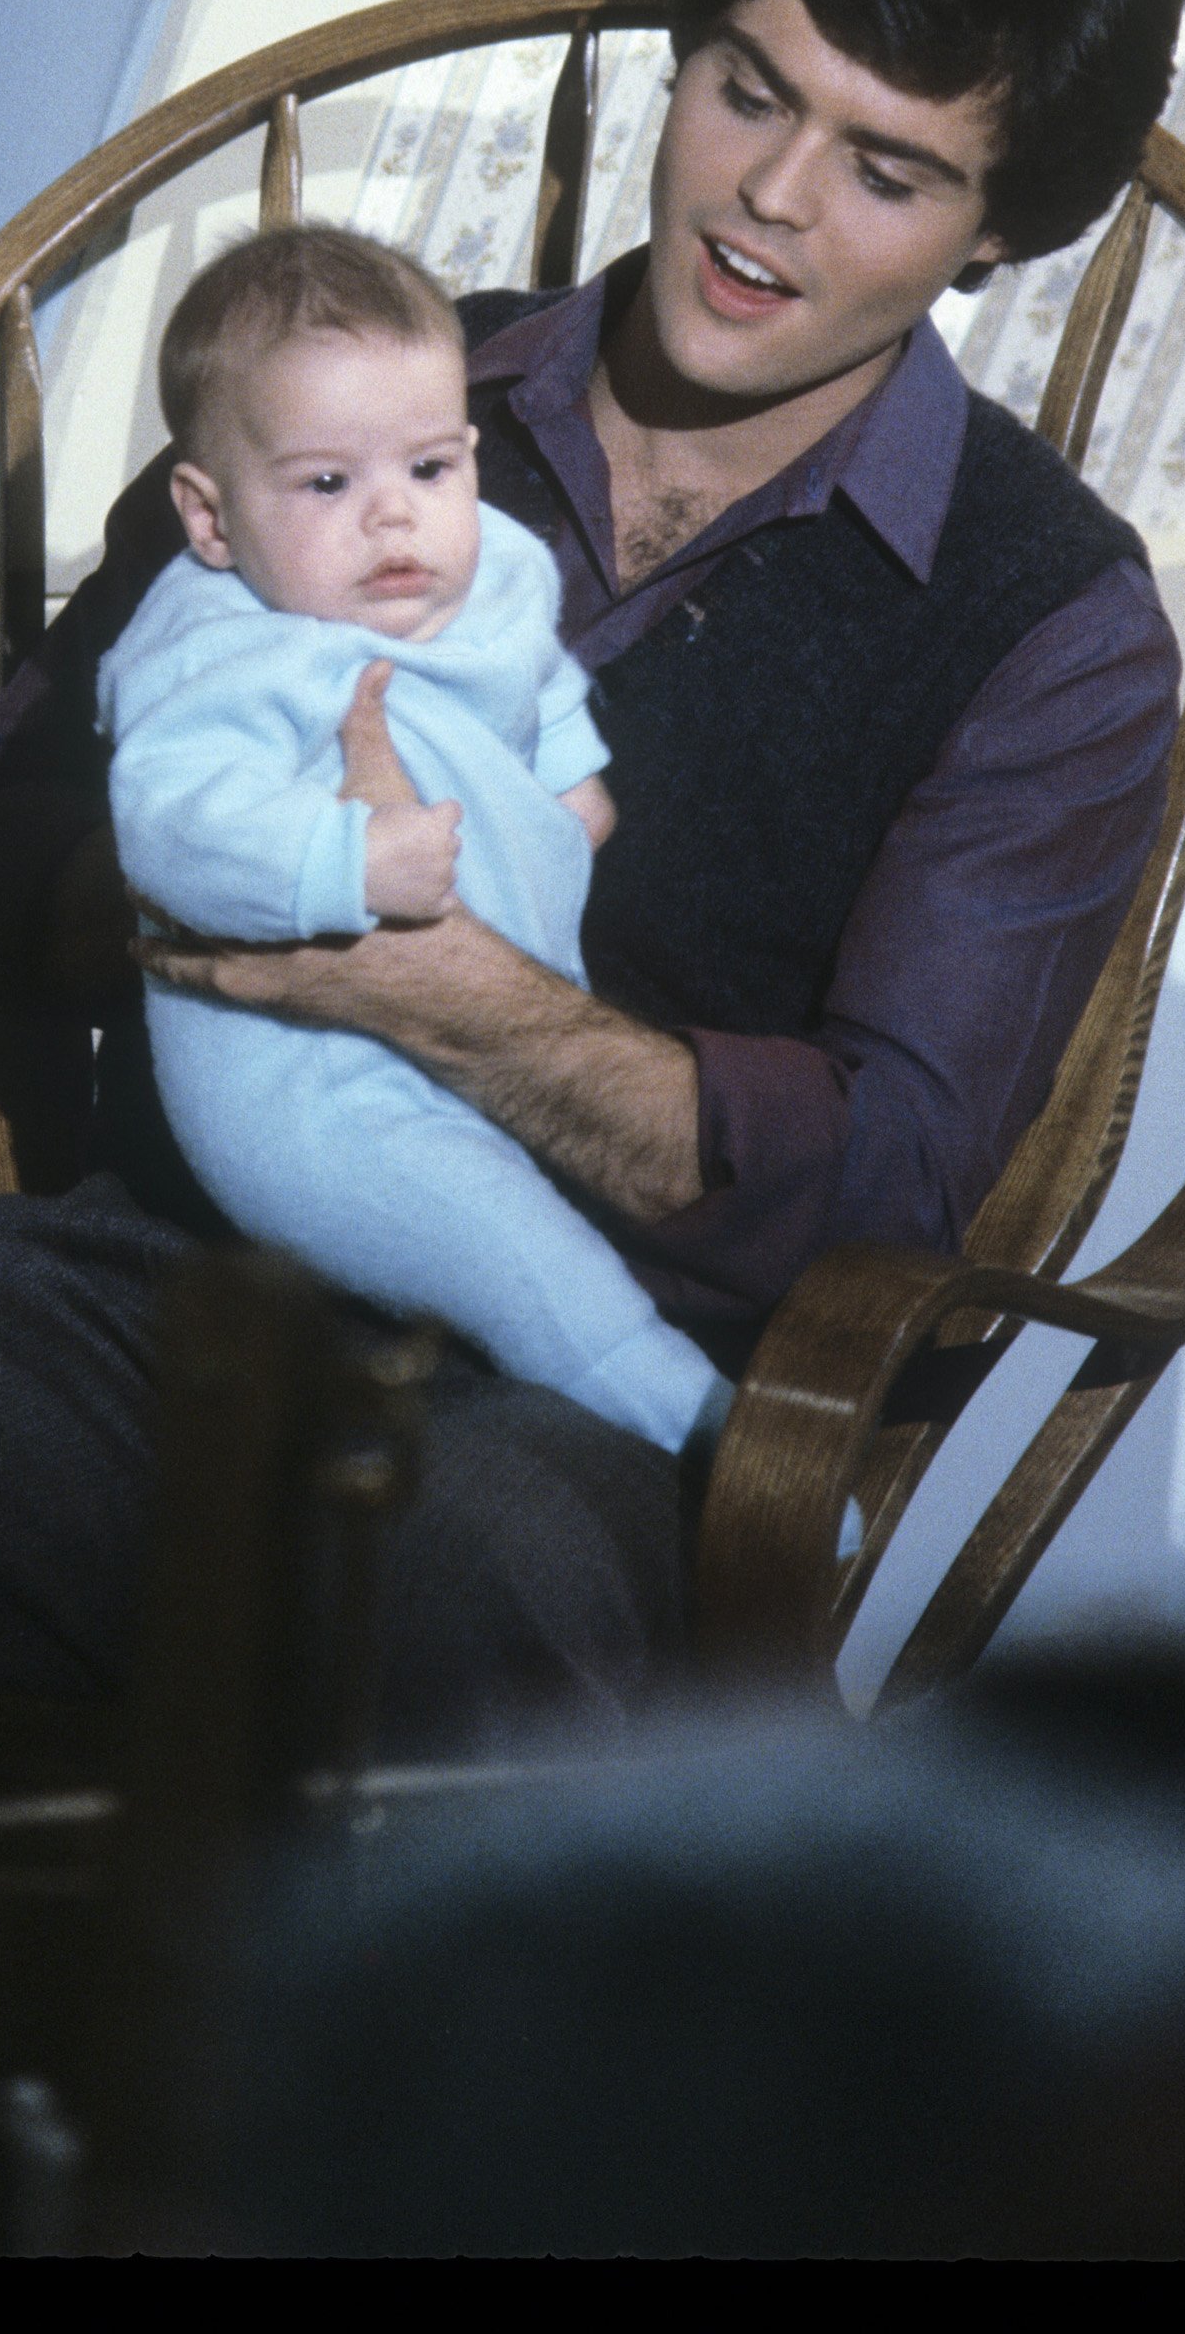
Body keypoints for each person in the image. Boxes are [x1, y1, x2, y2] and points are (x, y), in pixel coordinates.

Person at [0, 0, 1185, 2248]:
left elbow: (900, 1176)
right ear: (692, 53)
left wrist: (459, 999)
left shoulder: (1041, 614)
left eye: (885, 166)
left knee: (472, 1593)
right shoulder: (355, 384)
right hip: (131, 1298)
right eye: (745, 88)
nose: (768, 201)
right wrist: (179, 859)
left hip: (565, 1390)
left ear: (1000, 224)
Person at [101, 222, 720, 1452]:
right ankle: (686, 1415)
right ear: (212, 520)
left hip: (497, 1030)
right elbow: (169, 821)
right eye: (329, 485)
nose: (396, 520)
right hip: (307, 1089)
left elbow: (527, 670)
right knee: (516, 1255)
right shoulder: (223, 649)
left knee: (506, 1226)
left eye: (430, 470)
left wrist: (571, 775)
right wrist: (344, 864)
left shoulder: (483, 570)